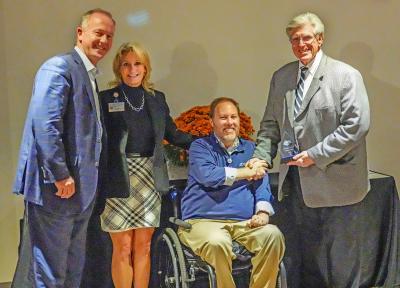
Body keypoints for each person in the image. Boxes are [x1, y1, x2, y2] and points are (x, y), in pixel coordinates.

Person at [250, 12, 370, 287]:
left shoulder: (346, 76)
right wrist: (260, 158)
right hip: (295, 188)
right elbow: (270, 126)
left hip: (339, 189)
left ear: (320, 39)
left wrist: (315, 154)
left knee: (342, 267)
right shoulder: (282, 77)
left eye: (306, 38)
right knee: (306, 265)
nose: (301, 44)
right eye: (295, 39)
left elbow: (357, 126)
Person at [12, 8, 115, 288]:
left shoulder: (89, 74)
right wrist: (59, 173)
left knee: (71, 269)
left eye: (109, 36)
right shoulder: (59, 67)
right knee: (49, 271)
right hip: (58, 189)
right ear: (80, 34)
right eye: (98, 33)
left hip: (81, 192)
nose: (104, 40)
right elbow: (46, 124)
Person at [99, 42, 193, 288]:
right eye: (126, 65)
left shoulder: (156, 99)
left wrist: (210, 143)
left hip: (150, 176)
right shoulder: (106, 99)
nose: (132, 70)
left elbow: (173, 135)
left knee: (144, 245)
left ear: (146, 67)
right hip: (118, 177)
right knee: (123, 246)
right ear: (118, 69)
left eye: (137, 63)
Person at [178, 97, 285, 288]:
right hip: (203, 222)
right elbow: (209, 176)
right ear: (212, 122)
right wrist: (246, 172)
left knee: (273, 235)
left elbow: (262, 184)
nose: (230, 122)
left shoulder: (251, 149)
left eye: (233, 117)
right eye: (223, 117)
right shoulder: (200, 147)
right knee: (217, 242)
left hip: (244, 223)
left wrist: (262, 212)